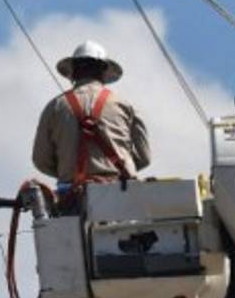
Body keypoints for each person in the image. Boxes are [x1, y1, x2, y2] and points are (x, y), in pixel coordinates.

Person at [32, 41, 150, 208]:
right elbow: (144, 157)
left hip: (72, 198)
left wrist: (68, 169)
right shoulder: (124, 106)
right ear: (104, 73)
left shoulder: (55, 107)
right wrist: (120, 166)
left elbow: (40, 159)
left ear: (73, 73)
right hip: (120, 195)